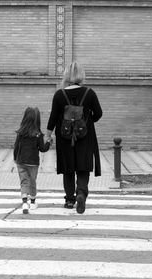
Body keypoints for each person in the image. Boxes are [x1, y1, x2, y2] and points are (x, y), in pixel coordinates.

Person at [46, 62, 102, 214]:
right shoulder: (89, 93)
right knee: (83, 168)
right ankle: (81, 193)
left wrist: (48, 135)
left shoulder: (59, 94)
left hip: (64, 138)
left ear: (66, 75)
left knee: (68, 168)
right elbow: (98, 114)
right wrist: (87, 119)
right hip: (85, 137)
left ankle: (70, 200)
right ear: (81, 75)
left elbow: (53, 118)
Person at [14, 107, 52, 214]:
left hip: (21, 161)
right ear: (37, 119)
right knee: (32, 181)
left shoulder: (20, 133)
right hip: (33, 163)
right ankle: (33, 202)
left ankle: (25, 203)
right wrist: (49, 142)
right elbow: (43, 149)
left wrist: (15, 158)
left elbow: (16, 147)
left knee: (24, 182)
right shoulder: (38, 134)